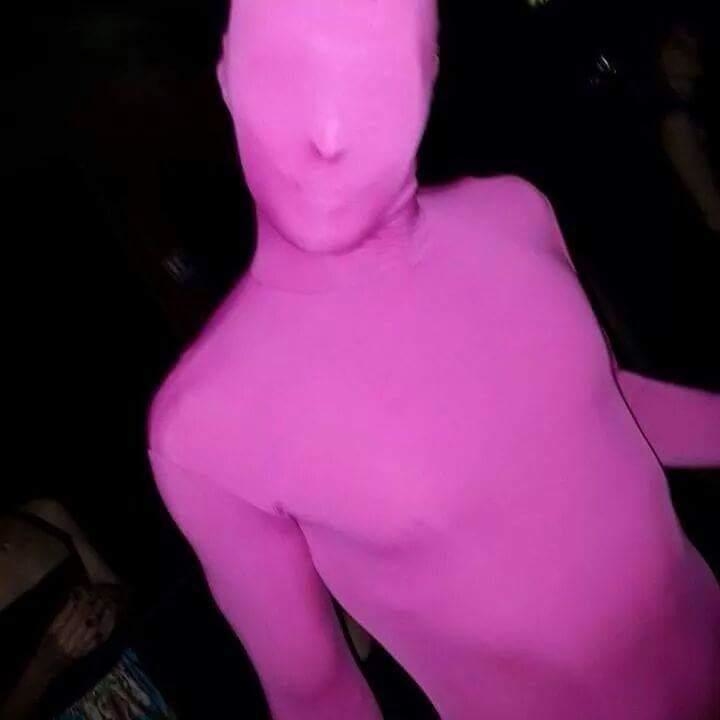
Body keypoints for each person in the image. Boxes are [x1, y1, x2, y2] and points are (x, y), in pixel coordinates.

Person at [148, 1, 720, 718]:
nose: (329, 135)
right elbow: (317, 693)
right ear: (230, 77)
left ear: (430, 75)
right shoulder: (207, 422)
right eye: (287, 73)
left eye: (376, 79)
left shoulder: (512, 216)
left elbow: (603, 408)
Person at [0, 499, 175, 720]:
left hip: (147, 675)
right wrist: (44, 665)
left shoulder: (43, 513)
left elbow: (118, 590)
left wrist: (105, 603)